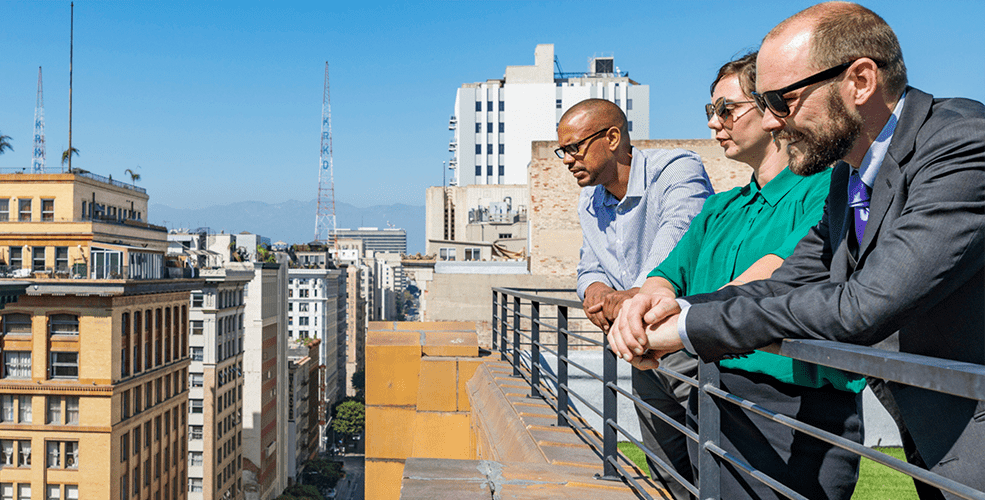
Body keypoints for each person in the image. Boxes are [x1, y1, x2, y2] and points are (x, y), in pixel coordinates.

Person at [611, 3, 985, 498]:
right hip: (936, 426)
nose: (770, 123)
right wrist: (672, 308)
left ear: (860, 80)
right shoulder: (848, 178)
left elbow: (862, 306)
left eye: (781, 101)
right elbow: (788, 280)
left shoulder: (961, 143)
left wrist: (683, 329)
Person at [620, 51, 864, 500]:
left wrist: (666, 323)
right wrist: (642, 306)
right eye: (711, 111)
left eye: (726, 109)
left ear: (772, 108)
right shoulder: (719, 208)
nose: (715, 122)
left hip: (794, 405)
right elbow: (666, 275)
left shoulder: (825, 189)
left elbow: (778, 275)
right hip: (713, 391)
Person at [558, 98, 712, 499]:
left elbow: (681, 239)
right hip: (637, 348)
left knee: (710, 465)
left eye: (574, 148)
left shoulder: (676, 169)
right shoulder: (589, 200)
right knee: (664, 467)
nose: (566, 160)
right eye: (562, 151)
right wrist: (600, 296)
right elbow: (588, 267)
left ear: (612, 138)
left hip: (688, 343)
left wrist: (636, 297)